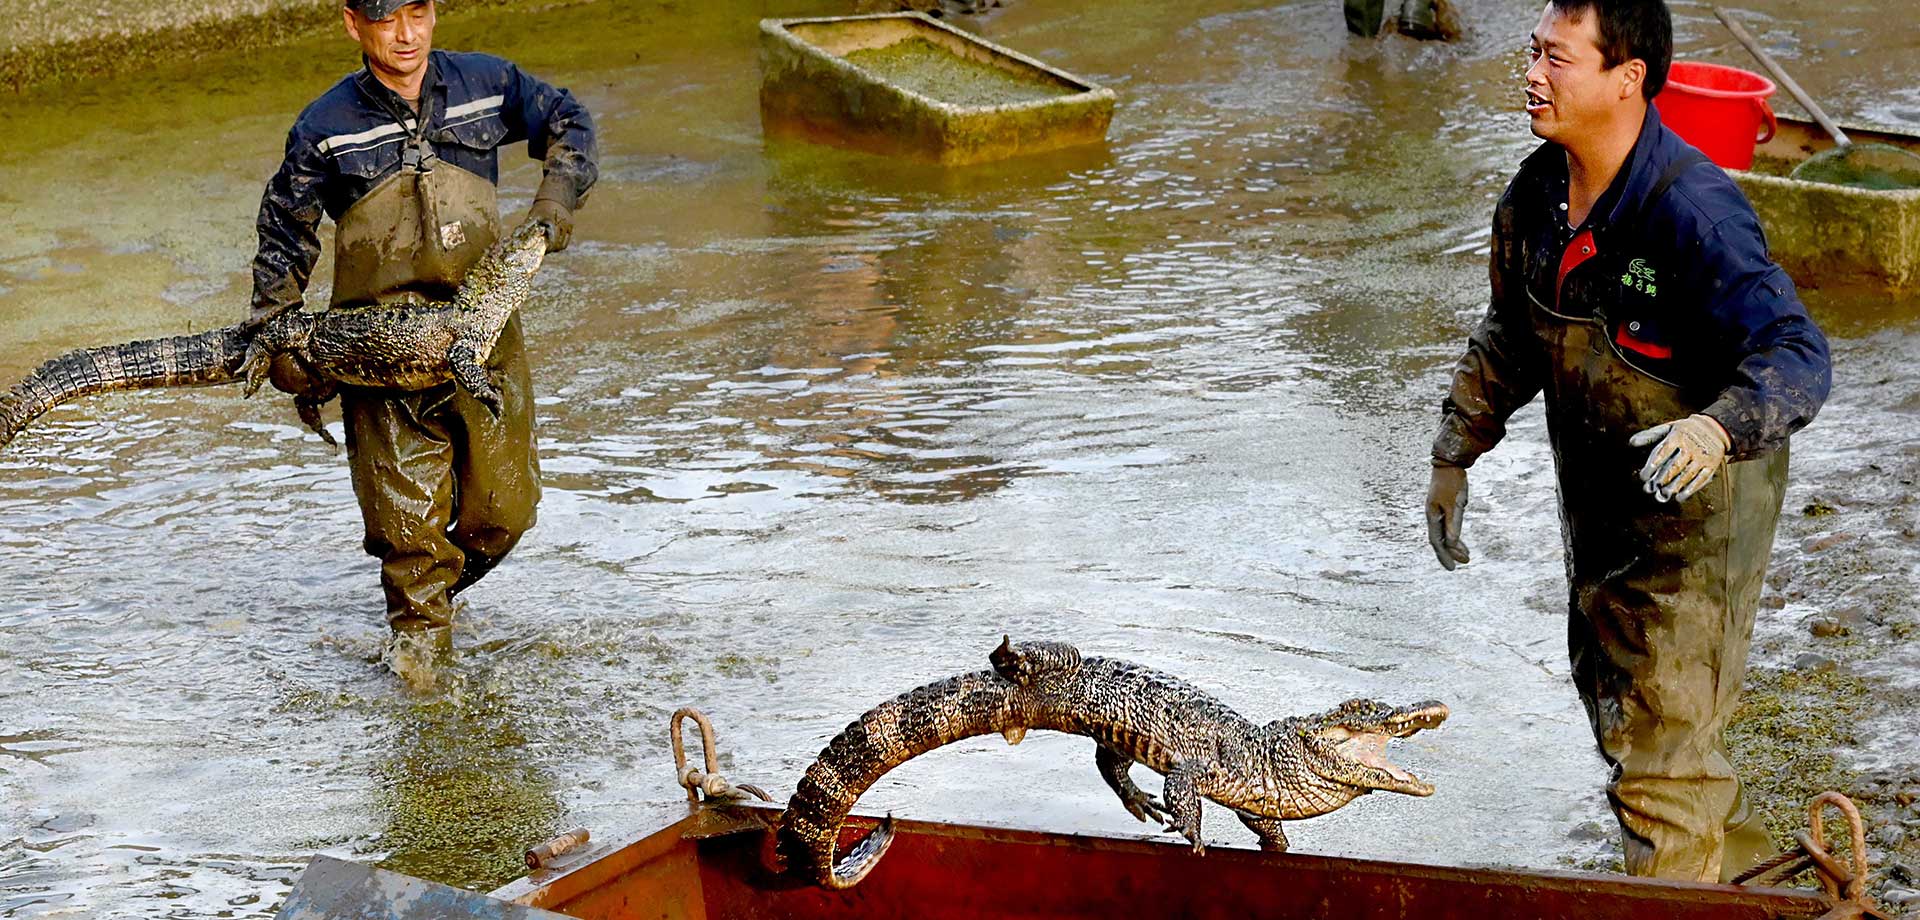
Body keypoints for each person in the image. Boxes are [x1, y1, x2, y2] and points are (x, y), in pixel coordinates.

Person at [1423, 0, 1830, 883]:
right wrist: (1454, 451)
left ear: (1628, 76)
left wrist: (1720, 425)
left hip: (1698, 523)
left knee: (1660, 758)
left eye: (1556, 58)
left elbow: (1796, 353)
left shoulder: (1694, 211)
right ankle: (1761, 895)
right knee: (1639, 727)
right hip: (1601, 506)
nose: (1531, 73)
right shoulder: (1536, 194)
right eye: (1532, 52)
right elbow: (1511, 332)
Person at [249, 0, 596, 685]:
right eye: (384, 19)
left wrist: (554, 203)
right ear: (353, 24)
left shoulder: (488, 85)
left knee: (506, 511)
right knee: (409, 538)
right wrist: (276, 330)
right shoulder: (324, 128)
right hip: (376, 357)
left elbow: (569, 121)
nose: (405, 35)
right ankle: (423, 688)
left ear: (433, 13)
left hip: (483, 337)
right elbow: (284, 234)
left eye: (417, 12)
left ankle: (429, 602)